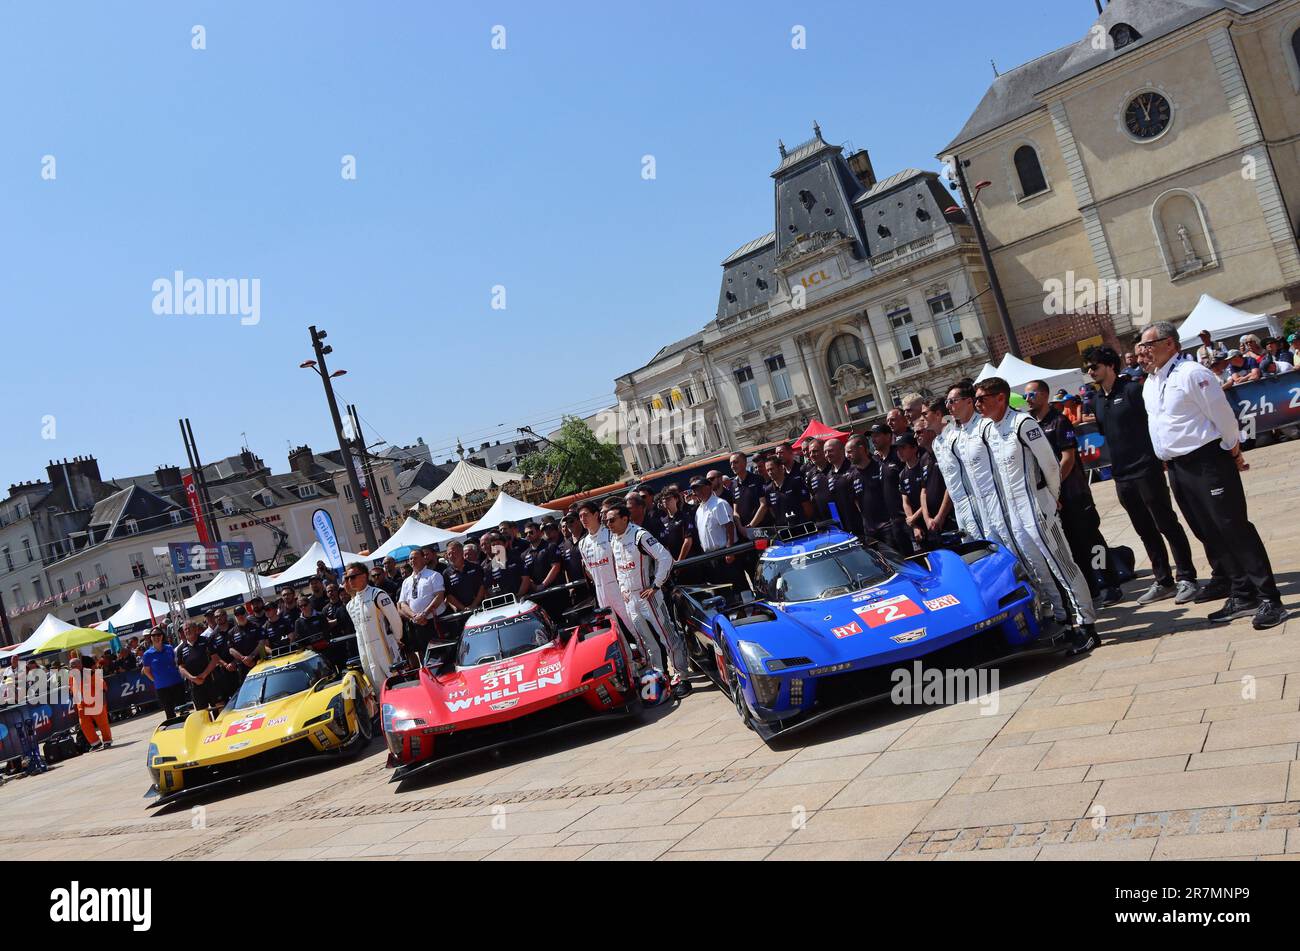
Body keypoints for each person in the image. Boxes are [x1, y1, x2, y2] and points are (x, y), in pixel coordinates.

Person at [1139, 321, 1287, 629]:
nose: (1144, 351)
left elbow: (1223, 416)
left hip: (1208, 462)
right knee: (1208, 531)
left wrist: (1233, 450)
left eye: (1149, 344)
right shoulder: (1150, 382)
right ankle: (1242, 593)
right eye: (1142, 345)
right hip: (1178, 468)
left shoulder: (1193, 373)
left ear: (1170, 344)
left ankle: (1270, 598)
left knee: (1233, 526)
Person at [974, 377, 1098, 653]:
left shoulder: (1023, 423)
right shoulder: (990, 430)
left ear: (1000, 398)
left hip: (1037, 506)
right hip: (1014, 512)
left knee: (1062, 564)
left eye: (982, 398)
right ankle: (1065, 622)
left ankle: (1087, 624)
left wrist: (1052, 498)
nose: (977, 404)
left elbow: (1051, 465)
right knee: (1037, 568)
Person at [1084, 345, 1200, 605]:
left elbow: (1153, 424)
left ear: (1110, 365)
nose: (1090, 371)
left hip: (1147, 469)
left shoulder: (1134, 390)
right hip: (1122, 476)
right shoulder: (1097, 400)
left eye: (1094, 366)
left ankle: (1187, 577)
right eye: (1088, 368)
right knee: (1144, 530)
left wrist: (1159, 460)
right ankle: (1163, 581)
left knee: (1166, 524)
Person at [1024, 378, 1123, 607]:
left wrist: (1053, 485)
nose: (1027, 400)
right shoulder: (1031, 426)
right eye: (1026, 396)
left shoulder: (1059, 422)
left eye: (1031, 395)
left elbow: (1067, 459)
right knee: (1072, 546)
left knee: (1092, 541)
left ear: (1044, 395)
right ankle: (1091, 588)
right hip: (1055, 501)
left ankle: (1110, 584)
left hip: (1074, 494)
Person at [605, 502, 689, 699]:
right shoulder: (614, 539)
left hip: (648, 595)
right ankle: (660, 678)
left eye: (612, 520)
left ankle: (682, 677)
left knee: (667, 636)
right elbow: (618, 567)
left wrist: (656, 585)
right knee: (647, 641)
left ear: (625, 518)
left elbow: (665, 558)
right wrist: (623, 590)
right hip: (630, 598)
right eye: (606, 521)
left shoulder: (640, 535)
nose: (608, 524)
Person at [575, 499, 638, 652]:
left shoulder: (610, 534)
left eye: (586, 515)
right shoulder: (582, 543)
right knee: (614, 630)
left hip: (618, 587)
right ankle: (630, 664)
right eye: (580, 516)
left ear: (596, 515)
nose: (583, 519)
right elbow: (590, 571)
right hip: (601, 591)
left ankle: (650, 659)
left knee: (633, 624)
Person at [343, 561, 404, 687]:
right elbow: (358, 631)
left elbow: (395, 619)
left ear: (364, 575)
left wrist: (397, 638)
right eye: (347, 578)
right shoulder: (351, 605)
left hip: (384, 646)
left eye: (353, 577)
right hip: (365, 650)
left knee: (395, 682)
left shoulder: (377, 594)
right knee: (377, 686)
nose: (350, 580)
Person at [869, 423, 911, 553]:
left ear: (888, 436)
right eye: (872, 437)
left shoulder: (898, 455)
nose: (873, 440)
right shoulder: (877, 460)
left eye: (877, 435)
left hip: (907, 519)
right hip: (892, 523)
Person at [398, 547, 445, 659]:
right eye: (410, 559)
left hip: (434, 622)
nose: (412, 561)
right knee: (424, 655)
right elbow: (403, 604)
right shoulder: (406, 581)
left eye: (415, 558)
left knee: (441, 654)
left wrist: (424, 614)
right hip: (417, 624)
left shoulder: (434, 575)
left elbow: (439, 596)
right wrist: (415, 616)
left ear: (424, 559)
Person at [750, 454, 812, 528]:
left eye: (772, 469)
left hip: (803, 527)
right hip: (784, 530)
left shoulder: (795, 482)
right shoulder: (768, 490)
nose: (770, 472)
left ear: (780, 467)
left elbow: (807, 507)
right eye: (768, 470)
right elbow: (773, 512)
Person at [441, 541, 487, 636]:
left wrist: (474, 605)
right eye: (449, 554)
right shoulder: (446, 574)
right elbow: (449, 595)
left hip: (480, 609)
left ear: (462, 552)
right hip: (461, 615)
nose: (451, 556)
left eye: (454, 553)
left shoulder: (475, 567)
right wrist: (463, 608)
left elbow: (482, 587)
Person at [68, 654, 112, 750]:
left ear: (80, 665)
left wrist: (103, 700)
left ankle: (107, 740)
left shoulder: (90, 673)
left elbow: (102, 685)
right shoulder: (71, 677)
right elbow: (72, 688)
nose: (71, 668)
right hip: (82, 704)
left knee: (102, 723)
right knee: (84, 725)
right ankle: (95, 743)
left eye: (73, 666)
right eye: (70, 666)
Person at [140, 627, 186, 719]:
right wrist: (155, 680)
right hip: (162, 687)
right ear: (150, 637)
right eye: (153, 635)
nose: (156, 637)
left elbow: (175, 663)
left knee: (183, 710)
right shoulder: (147, 654)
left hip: (177, 683)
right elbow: (146, 671)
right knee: (170, 714)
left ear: (162, 636)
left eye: (158, 635)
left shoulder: (169, 648)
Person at [176, 621, 220, 713]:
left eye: (189, 628)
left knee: (218, 709)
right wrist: (192, 678)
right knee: (202, 713)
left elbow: (215, 659)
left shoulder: (206, 641)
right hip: (194, 686)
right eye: (185, 629)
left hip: (211, 681)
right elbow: (181, 667)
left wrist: (204, 675)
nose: (187, 631)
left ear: (195, 629)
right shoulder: (181, 649)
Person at [823, 438, 863, 537]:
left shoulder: (854, 469)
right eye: (825, 452)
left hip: (861, 524)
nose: (827, 454)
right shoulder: (829, 475)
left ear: (841, 450)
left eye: (830, 450)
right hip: (843, 527)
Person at [728, 451, 768, 535]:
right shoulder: (733, 485)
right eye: (731, 463)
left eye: (735, 462)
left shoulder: (757, 479)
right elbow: (735, 511)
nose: (732, 466)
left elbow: (764, 505)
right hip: (744, 532)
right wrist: (740, 527)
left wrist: (751, 526)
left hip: (762, 529)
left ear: (745, 463)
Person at [229, 606, 267, 682]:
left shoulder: (256, 626)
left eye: (242, 613)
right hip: (243, 667)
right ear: (235, 616)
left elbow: (262, 643)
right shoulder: (231, 632)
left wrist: (251, 656)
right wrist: (243, 659)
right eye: (237, 614)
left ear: (246, 613)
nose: (240, 616)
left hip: (258, 662)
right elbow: (231, 649)